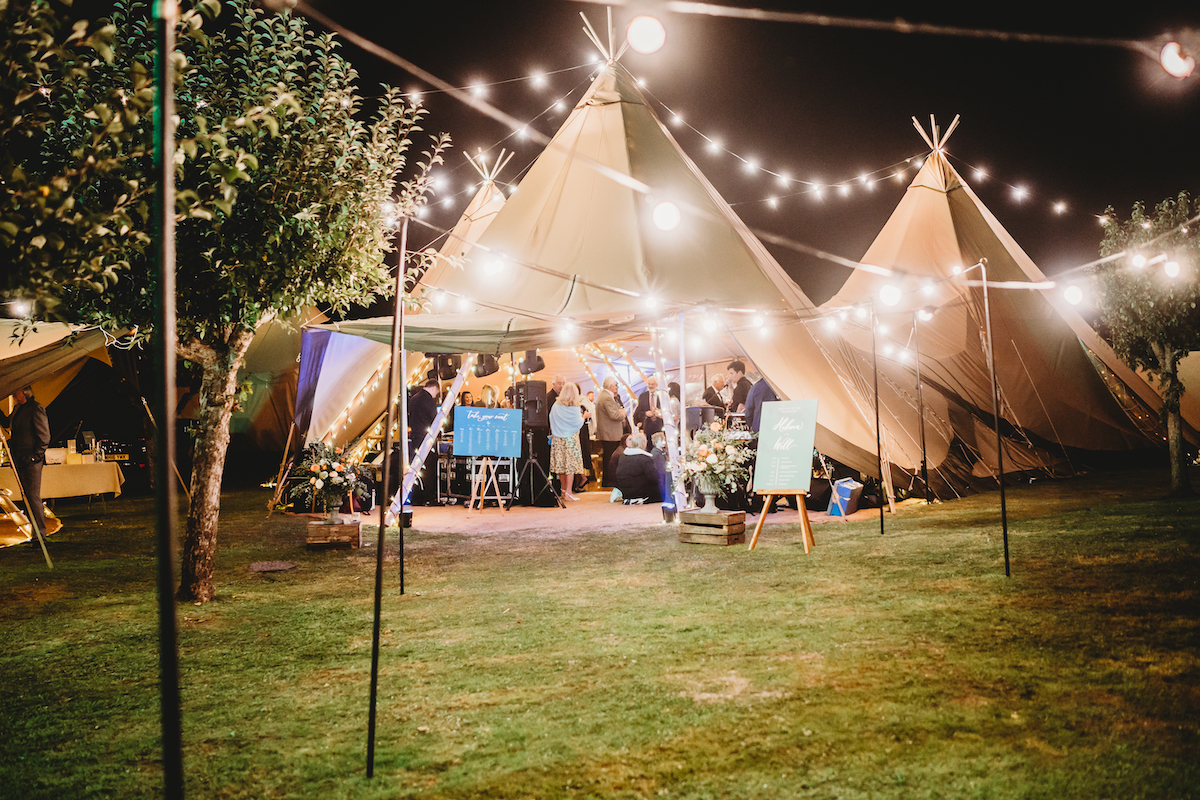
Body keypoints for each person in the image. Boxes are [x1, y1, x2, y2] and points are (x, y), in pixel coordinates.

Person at [1, 386, 50, 546]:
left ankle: (40, 534)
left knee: (33, 496)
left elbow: (44, 436)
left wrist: (35, 456)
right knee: (27, 497)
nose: (14, 394)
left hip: (31, 460)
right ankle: (34, 532)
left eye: (17, 391)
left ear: (25, 392)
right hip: (19, 459)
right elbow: (9, 425)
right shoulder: (17, 409)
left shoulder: (35, 408)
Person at [549, 382, 586, 502]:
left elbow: (551, 419)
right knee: (570, 466)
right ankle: (569, 492)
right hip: (570, 439)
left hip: (558, 438)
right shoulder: (574, 408)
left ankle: (563, 491)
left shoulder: (556, 405)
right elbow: (577, 423)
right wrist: (584, 417)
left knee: (561, 466)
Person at [407, 378, 440, 505]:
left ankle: (415, 497)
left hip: (415, 436)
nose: (435, 395)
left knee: (416, 468)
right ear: (434, 388)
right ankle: (428, 497)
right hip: (426, 438)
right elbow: (434, 419)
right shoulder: (429, 400)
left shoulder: (414, 398)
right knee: (429, 467)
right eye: (436, 393)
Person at [595, 376, 627, 488]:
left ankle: (607, 480)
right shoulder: (607, 398)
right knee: (610, 458)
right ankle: (609, 480)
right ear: (611, 386)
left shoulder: (602, 396)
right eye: (616, 385)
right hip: (611, 434)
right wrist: (622, 414)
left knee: (607, 457)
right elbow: (613, 415)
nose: (616, 387)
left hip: (607, 433)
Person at [614, 431, 661, 503]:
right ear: (643, 443)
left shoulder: (623, 456)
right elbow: (653, 478)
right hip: (640, 492)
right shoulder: (645, 458)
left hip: (625, 492)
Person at [576, 383, 595, 492]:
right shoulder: (581, 401)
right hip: (579, 431)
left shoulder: (583, 401)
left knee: (579, 455)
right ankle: (581, 479)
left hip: (581, 431)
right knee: (578, 456)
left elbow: (588, 415)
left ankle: (581, 479)